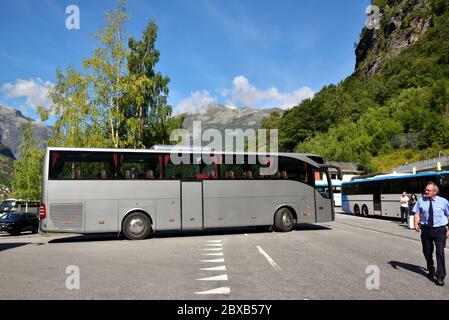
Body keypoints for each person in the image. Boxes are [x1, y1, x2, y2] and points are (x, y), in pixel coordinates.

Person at [413, 182, 449, 286]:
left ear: (435, 192)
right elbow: (417, 213)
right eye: (426, 190)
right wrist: (416, 224)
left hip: (440, 230)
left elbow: (448, 215)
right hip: (426, 229)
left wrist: (448, 230)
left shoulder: (443, 202)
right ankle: (431, 268)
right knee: (427, 252)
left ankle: (440, 276)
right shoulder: (421, 201)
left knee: (440, 252)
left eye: (428, 190)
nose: (426, 191)